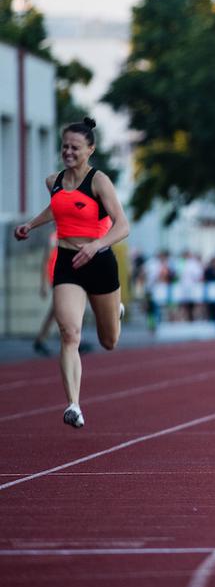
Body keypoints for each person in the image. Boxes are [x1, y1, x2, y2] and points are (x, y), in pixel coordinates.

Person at [13, 118, 130, 428]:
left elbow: (123, 225)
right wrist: (30, 225)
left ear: (89, 150)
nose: (68, 151)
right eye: (64, 146)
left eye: (75, 147)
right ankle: (74, 405)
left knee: (109, 341)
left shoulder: (99, 181)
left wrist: (97, 246)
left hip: (99, 261)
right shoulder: (54, 181)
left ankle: (114, 313)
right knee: (69, 333)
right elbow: (58, 208)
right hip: (68, 262)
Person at [32, 230, 59, 356]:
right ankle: (40, 339)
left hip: (66, 277)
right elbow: (45, 260)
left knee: (57, 311)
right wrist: (43, 283)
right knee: (56, 310)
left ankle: (41, 339)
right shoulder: (55, 236)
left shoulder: (68, 234)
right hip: (58, 278)